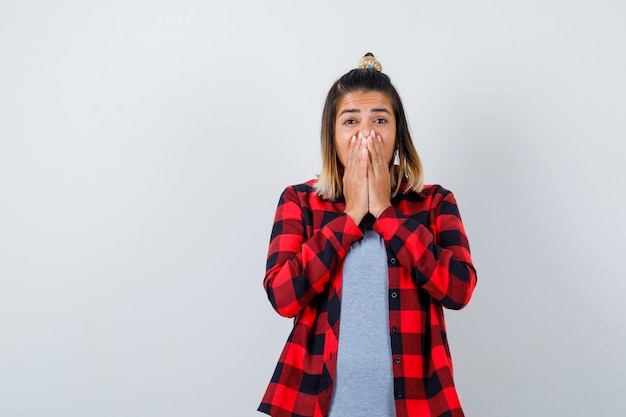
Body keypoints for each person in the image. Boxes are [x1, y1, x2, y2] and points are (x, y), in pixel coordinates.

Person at [258, 53, 477, 417]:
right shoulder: (300, 201)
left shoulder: (435, 202)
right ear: (333, 135)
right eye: (350, 121)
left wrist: (386, 216)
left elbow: (458, 290)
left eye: (380, 119)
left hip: (418, 407)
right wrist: (352, 215)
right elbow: (283, 297)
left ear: (397, 134)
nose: (366, 134)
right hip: (316, 407)